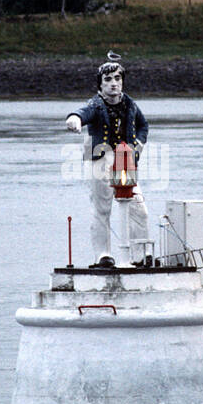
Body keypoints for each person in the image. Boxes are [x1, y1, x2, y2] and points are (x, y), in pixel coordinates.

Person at [66, 59, 151, 267]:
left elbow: (143, 126)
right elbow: (84, 112)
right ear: (100, 84)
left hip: (125, 159)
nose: (114, 83)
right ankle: (103, 255)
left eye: (117, 78)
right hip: (100, 159)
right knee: (102, 208)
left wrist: (137, 146)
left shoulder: (130, 104)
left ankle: (141, 254)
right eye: (108, 79)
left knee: (138, 207)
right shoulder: (96, 104)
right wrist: (75, 118)